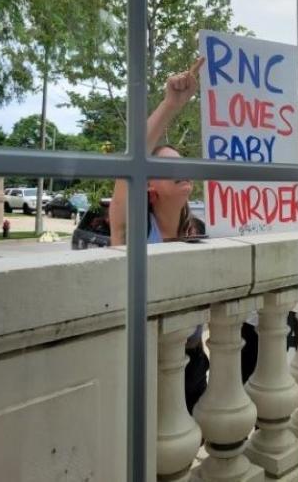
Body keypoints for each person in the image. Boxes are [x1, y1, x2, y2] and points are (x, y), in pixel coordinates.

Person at [110, 57, 208, 412]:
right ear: (148, 186)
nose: (180, 169)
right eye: (168, 165)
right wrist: (171, 105)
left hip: (194, 362)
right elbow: (129, 162)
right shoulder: (133, 229)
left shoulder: (200, 231)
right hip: (147, 364)